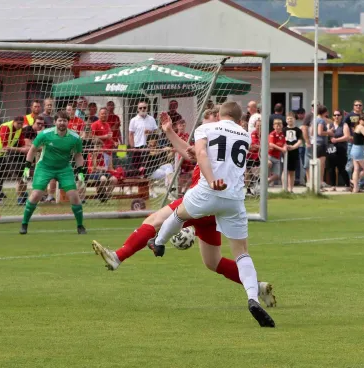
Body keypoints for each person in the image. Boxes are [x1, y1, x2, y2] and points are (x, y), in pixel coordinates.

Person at [91, 107, 276, 310]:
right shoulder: (218, 146)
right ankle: (257, 287)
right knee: (212, 262)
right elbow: (191, 153)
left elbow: (199, 154)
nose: (207, 124)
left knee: (153, 221)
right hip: (217, 209)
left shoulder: (209, 144)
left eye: (209, 120)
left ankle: (118, 256)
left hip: (200, 200)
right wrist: (170, 131)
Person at [147, 101, 275, 327]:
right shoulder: (245, 135)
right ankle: (253, 298)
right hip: (234, 199)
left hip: (209, 190)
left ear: (219, 115)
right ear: (238, 118)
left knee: (179, 214)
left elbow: (203, 155)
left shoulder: (206, 128)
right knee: (242, 252)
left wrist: (210, 178)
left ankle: (159, 242)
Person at [20, 111, 86, 235]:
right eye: (59, 120)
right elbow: (32, 149)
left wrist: (80, 171)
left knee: (74, 195)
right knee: (36, 195)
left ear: (68, 122)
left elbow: (78, 155)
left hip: (64, 169)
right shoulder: (45, 134)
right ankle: (24, 224)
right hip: (44, 167)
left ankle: (80, 226)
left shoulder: (75, 138)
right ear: (55, 122)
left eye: (64, 120)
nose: (62, 123)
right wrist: (27, 167)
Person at [326, 109, 350, 190]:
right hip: (331, 149)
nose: (336, 116)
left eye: (338, 115)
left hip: (341, 149)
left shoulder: (344, 125)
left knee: (341, 168)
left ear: (341, 116)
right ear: (332, 117)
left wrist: (337, 140)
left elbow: (347, 136)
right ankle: (333, 186)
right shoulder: (329, 125)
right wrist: (328, 132)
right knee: (331, 168)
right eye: (335, 115)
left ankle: (348, 184)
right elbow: (325, 135)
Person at [283, 112, 302, 193]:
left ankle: (291, 188)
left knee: (292, 171)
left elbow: (300, 141)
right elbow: (281, 140)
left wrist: (293, 147)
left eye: (291, 118)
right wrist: (285, 146)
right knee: (284, 170)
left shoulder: (298, 130)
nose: (290, 120)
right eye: (288, 119)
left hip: (294, 152)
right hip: (285, 152)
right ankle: (284, 188)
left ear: (294, 119)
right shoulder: (284, 130)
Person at [268, 118, 286, 187]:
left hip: (277, 157)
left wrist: (284, 147)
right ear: (273, 126)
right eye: (276, 126)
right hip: (270, 156)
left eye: (279, 126)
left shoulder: (282, 135)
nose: (278, 127)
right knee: (267, 169)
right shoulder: (272, 134)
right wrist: (281, 149)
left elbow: (284, 143)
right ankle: (263, 184)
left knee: (277, 175)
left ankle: (267, 181)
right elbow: (271, 144)